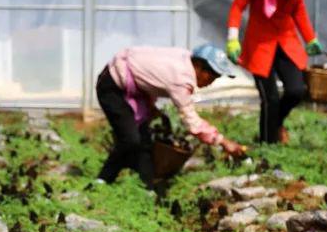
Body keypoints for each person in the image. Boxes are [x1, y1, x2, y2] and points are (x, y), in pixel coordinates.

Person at [96, 42, 246, 188]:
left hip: (133, 87)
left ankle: (147, 187)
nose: (211, 82)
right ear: (198, 66)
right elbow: (193, 123)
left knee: (144, 141)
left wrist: (150, 107)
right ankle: (101, 182)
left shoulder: (185, 58)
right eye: (211, 76)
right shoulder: (181, 79)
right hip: (113, 86)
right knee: (130, 140)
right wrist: (223, 141)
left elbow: (150, 74)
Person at [226, 0, 324, 145]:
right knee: (269, 98)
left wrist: (310, 38)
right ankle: (267, 144)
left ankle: (275, 124)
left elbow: (299, 11)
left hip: (286, 42)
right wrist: (233, 39)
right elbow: (237, 7)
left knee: (296, 90)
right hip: (260, 45)